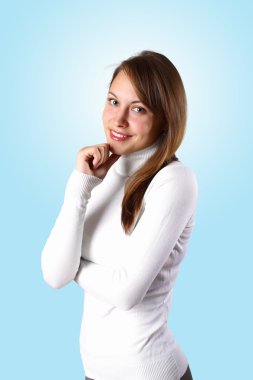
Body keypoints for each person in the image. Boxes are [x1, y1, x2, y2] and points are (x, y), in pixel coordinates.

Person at [41, 50, 198, 380]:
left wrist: (74, 267)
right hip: (94, 372)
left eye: (138, 108)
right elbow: (54, 275)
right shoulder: (99, 173)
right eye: (113, 101)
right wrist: (79, 186)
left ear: (166, 118)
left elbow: (126, 293)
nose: (118, 119)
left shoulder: (174, 181)